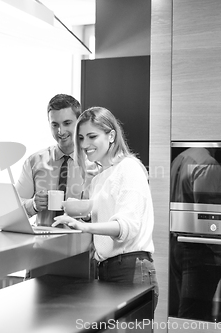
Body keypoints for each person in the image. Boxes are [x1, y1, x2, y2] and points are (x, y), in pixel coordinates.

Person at [52, 106, 159, 309]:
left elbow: (126, 228)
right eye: (81, 138)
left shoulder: (129, 168)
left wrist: (84, 227)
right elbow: (106, 213)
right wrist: (82, 214)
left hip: (131, 270)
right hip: (108, 269)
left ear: (111, 135)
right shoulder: (99, 178)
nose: (85, 144)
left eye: (92, 136)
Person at [15, 94, 95, 227]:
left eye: (67, 123)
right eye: (55, 125)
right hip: (42, 243)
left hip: (82, 244)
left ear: (79, 122)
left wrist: (86, 212)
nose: (61, 131)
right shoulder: (34, 162)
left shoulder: (95, 163)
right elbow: (13, 211)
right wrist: (33, 205)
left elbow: (107, 212)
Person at [169, 147, 221, 321]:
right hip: (199, 250)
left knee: (191, 316)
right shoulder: (208, 163)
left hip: (176, 245)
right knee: (193, 317)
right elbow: (208, 218)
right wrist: (219, 252)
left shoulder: (179, 158)